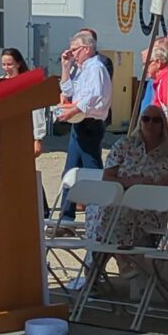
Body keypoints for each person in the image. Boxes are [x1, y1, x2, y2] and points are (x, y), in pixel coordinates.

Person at [85, 105, 168, 246]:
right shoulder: (124, 146)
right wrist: (134, 182)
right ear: (140, 122)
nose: (150, 124)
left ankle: (115, 257)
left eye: (156, 120)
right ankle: (115, 257)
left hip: (150, 210)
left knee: (115, 218)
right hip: (120, 204)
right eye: (146, 119)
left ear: (163, 125)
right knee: (104, 210)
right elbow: (108, 177)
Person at [56, 31, 112, 223]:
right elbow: (68, 90)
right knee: (71, 171)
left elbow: (94, 95)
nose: (71, 53)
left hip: (90, 123)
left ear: (86, 49)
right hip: (79, 123)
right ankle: (66, 218)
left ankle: (99, 214)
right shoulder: (80, 68)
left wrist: (73, 110)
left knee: (92, 171)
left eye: (74, 50)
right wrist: (65, 67)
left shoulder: (95, 67)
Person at [0, 47, 50, 216]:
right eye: (4, 64)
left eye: (10, 64)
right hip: (6, 134)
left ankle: (42, 209)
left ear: (18, 63)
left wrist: (37, 138)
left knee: (27, 171)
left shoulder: (27, 83)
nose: (7, 68)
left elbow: (37, 111)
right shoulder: (0, 82)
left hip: (25, 133)